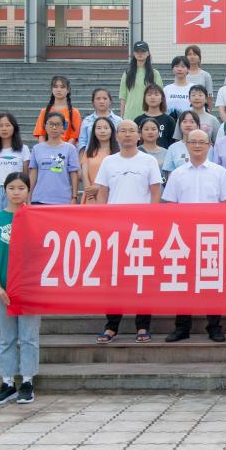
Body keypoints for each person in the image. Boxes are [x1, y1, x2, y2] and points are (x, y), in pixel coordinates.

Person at [94, 120, 162, 344]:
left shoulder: (148, 161)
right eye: (122, 131)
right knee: (115, 277)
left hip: (142, 229)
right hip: (115, 230)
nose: (127, 135)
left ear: (139, 135)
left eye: (132, 131)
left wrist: (151, 221)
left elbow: (155, 192)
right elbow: (102, 194)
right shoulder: (109, 162)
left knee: (142, 277)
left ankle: (143, 325)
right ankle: (111, 326)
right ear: (116, 136)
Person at [162, 130, 226, 343]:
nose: (197, 145)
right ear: (186, 145)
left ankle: (215, 326)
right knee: (183, 282)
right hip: (184, 236)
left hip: (211, 234)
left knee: (212, 282)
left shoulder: (220, 172)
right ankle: (182, 327)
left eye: (202, 142)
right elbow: (171, 205)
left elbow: (225, 204)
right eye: (193, 141)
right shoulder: (177, 173)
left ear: (209, 145)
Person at [0, 172, 39, 405]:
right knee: (6, 338)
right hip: (2, 290)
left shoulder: (36, 219)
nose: (16, 192)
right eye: (12, 188)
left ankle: (27, 381)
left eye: (21, 188)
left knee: (29, 337)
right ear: (5, 190)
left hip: (29, 290)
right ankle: (7, 382)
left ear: (28, 191)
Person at [0, 113, 30, 219]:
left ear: (14, 127)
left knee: (15, 223)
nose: (4, 129)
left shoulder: (23, 149)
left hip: (16, 191)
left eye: (8, 125)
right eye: (0, 126)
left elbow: (25, 173)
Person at [30, 112, 79, 205]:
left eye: (58, 124)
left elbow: (74, 174)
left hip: (63, 199)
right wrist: (29, 196)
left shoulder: (70, 149)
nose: (54, 127)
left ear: (63, 127)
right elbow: (33, 174)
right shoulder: (37, 148)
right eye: (51, 124)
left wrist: (74, 197)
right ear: (45, 126)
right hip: (39, 198)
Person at [163, 110, 218, 179]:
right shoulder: (173, 148)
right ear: (179, 126)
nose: (188, 125)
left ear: (198, 126)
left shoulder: (207, 146)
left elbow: (214, 169)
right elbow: (170, 174)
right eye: (184, 122)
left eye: (192, 122)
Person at [79, 117, 118, 205]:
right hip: (90, 197)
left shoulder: (117, 154)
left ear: (112, 131)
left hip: (111, 196)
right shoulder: (88, 152)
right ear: (94, 131)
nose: (102, 131)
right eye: (99, 128)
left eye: (106, 128)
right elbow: (85, 175)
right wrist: (90, 196)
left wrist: (98, 187)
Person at [32, 75, 81, 144]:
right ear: (52, 89)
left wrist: (64, 149)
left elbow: (74, 137)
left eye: (62, 87)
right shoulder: (44, 112)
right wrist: (45, 148)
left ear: (68, 90)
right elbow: (41, 134)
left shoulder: (74, 112)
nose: (59, 90)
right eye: (55, 87)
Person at [120, 42, 163, 120]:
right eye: (137, 51)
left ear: (148, 53)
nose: (140, 54)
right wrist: (121, 117)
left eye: (143, 51)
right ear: (134, 54)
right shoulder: (127, 74)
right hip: (130, 115)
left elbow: (159, 96)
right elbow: (123, 98)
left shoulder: (155, 74)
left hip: (149, 115)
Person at [134, 84, 175, 149]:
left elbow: (172, 143)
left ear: (162, 98)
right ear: (145, 98)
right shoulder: (138, 120)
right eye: (149, 95)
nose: (152, 97)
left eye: (156, 94)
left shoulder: (169, 120)